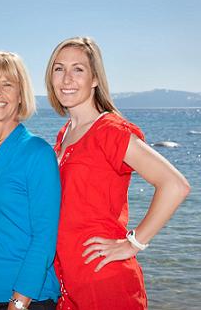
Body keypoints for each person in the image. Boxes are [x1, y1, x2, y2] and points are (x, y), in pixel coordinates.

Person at [45, 36, 191, 310]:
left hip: (105, 281)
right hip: (68, 284)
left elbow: (174, 185)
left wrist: (133, 243)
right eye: (59, 68)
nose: (67, 78)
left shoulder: (109, 130)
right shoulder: (64, 134)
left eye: (78, 69)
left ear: (95, 79)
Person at [0, 51, 61, 310]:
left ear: (20, 95)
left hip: (29, 297)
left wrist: (19, 302)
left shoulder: (38, 153)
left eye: (7, 84)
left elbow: (45, 236)